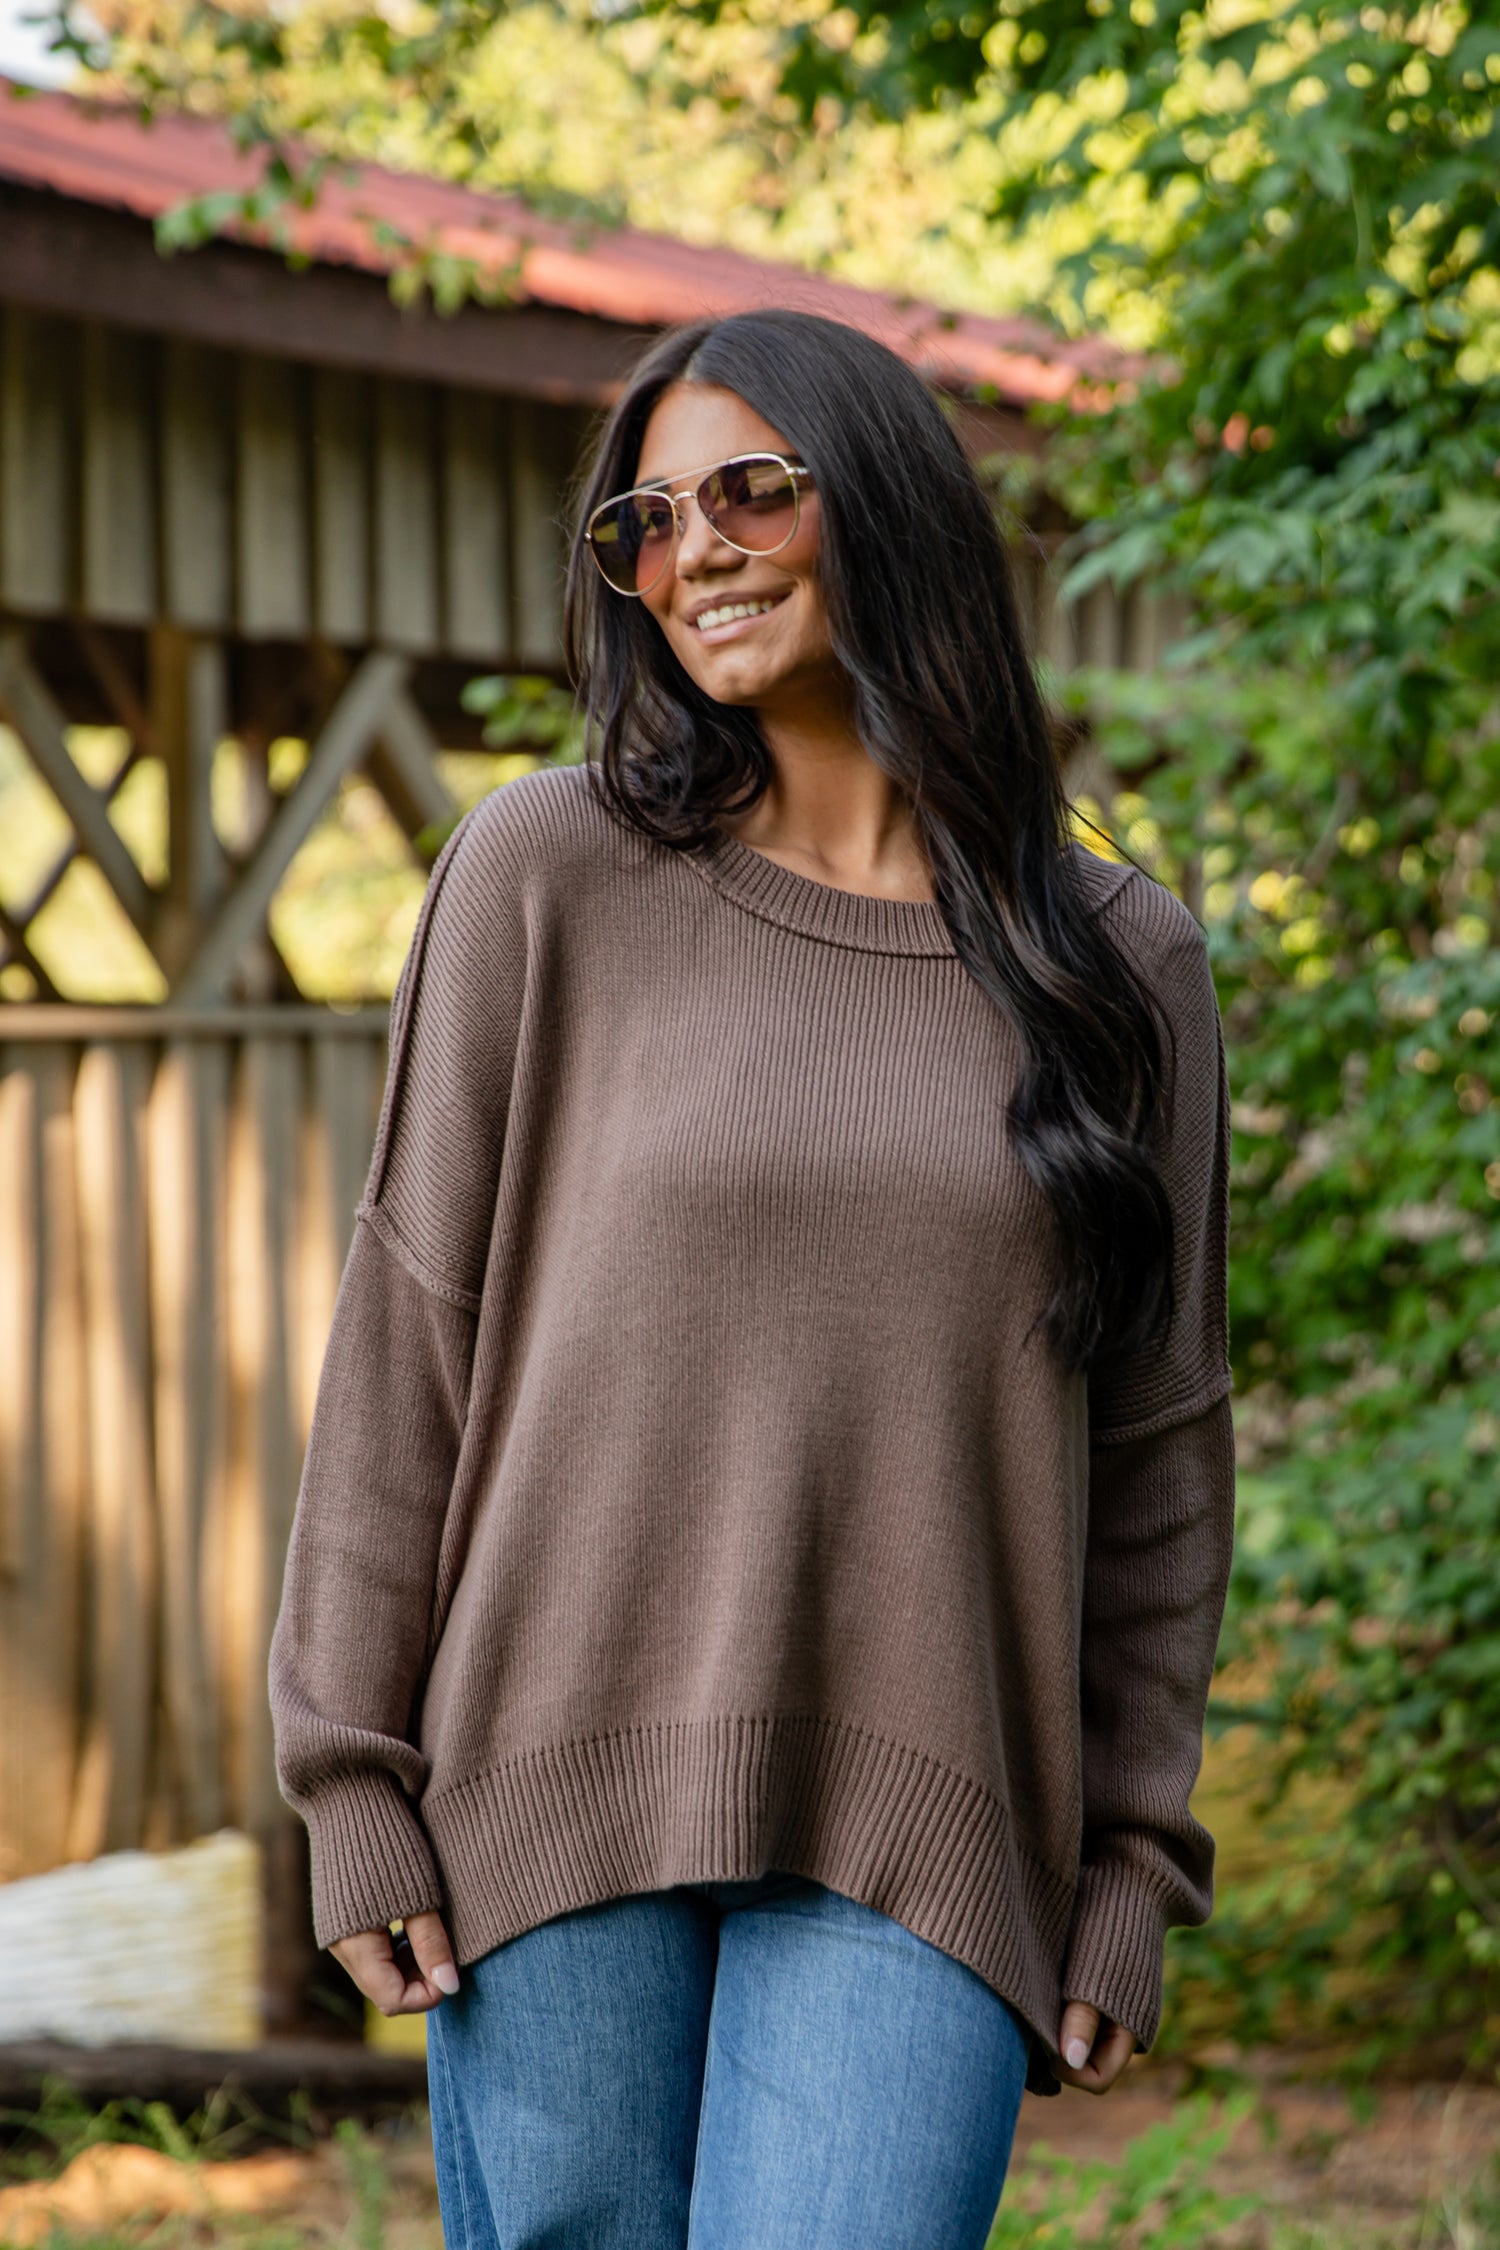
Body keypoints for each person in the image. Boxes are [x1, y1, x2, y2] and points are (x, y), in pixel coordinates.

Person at [269, 308, 1235, 2250]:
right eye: (645, 521)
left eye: (751, 491)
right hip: (549, 1793)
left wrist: (1134, 1859)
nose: (693, 547)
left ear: (887, 504)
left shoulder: (1121, 969)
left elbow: (1159, 1450)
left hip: (932, 1822)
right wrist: (347, 1775)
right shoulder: (542, 876)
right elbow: (407, 1346)